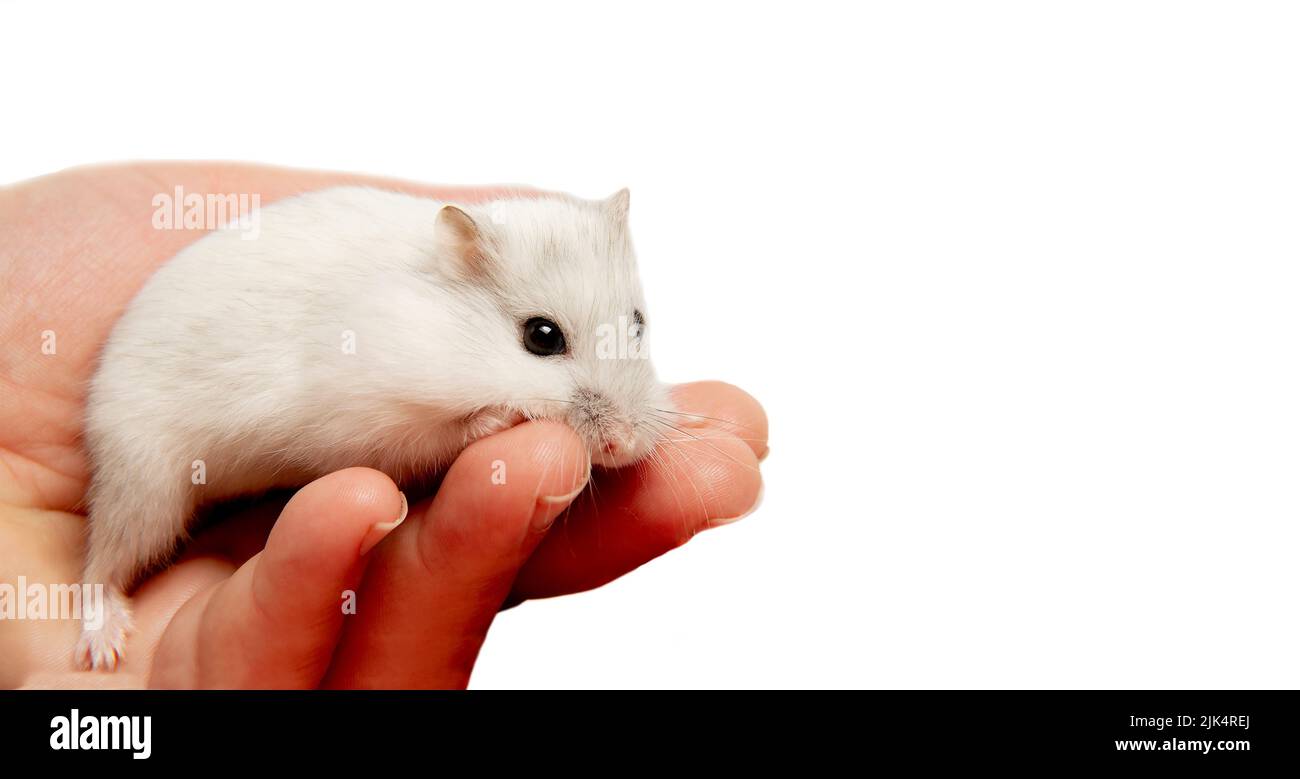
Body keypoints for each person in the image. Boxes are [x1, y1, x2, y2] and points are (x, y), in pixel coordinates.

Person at [0, 163, 767, 688]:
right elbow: (340, 425)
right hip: (157, 403)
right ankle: (100, 587)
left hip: (260, 475)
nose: (618, 426)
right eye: (541, 340)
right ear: (463, 255)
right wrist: (462, 433)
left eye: (628, 331)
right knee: (146, 479)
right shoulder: (387, 318)